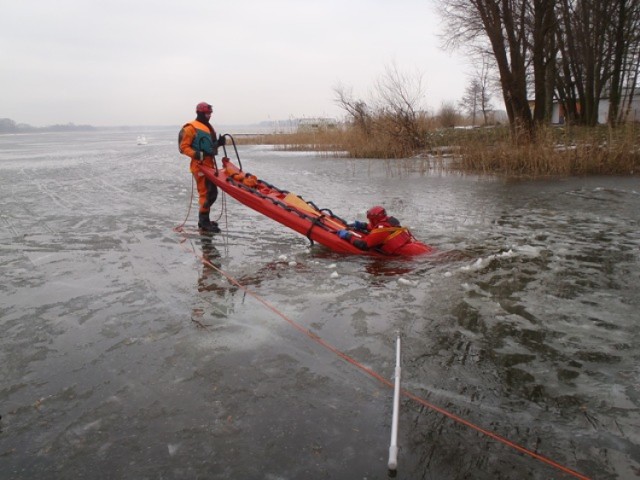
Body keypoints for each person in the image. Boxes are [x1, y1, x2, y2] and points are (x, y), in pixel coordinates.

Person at [179, 102, 226, 234]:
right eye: (207, 113)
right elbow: (183, 147)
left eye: (210, 113)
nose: (209, 116)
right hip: (199, 166)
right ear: (200, 113)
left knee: (213, 194)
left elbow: (209, 147)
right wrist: (197, 154)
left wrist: (219, 143)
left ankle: (204, 219)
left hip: (210, 165)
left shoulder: (207, 127)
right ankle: (204, 223)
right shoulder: (190, 128)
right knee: (205, 193)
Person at [337, 206, 418, 255]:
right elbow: (380, 228)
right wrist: (363, 225)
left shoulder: (381, 230)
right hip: (415, 247)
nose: (369, 221)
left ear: (374, 219)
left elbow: (364, 245)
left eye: (371, 220)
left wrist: (348, 236)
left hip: (408, 254)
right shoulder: (391, 221)